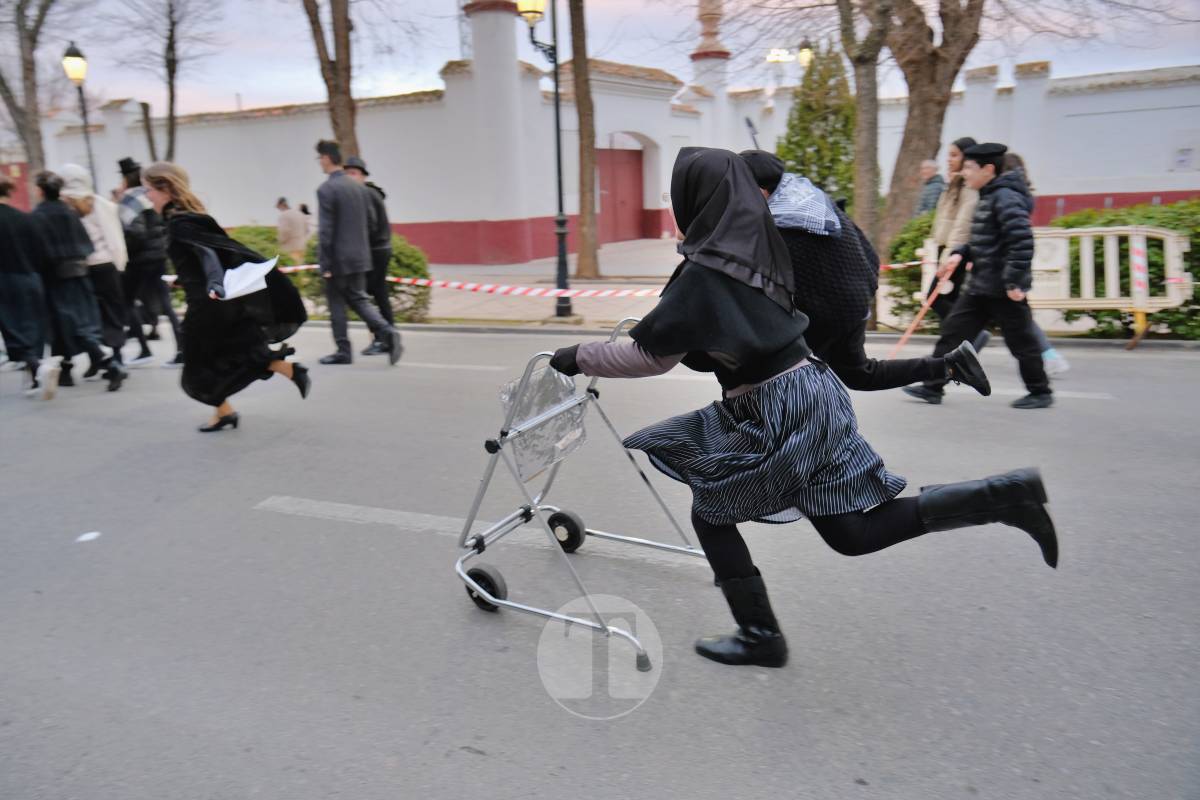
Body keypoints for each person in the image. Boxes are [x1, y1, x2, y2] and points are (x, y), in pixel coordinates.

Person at [548, 148, 1058, 668]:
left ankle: (760, 635)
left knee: (712, 510)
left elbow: (650, 357)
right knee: (852, 534)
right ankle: (1003, 495)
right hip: (813, 391)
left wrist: (573, 356)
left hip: (776, 407)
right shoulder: (763, 243)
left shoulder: (708, 268)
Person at [738, 150, 989, 396]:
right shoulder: (808, 199)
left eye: (740, 188)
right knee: (859, 374)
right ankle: (951, 365)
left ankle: (813, 428)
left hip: (831, 309)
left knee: (780, 375)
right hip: (855, 294)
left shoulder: (782, 222)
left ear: (762, 190)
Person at [143, 162, 311, 431]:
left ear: (164, 189)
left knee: (199, 365)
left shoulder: (180, 222)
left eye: (149, 189)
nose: (147, 195)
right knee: (234, 350)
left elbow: (207, 255)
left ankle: (272, 378)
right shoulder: (186, 217)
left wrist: (212, 283)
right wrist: (184, 279)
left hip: (208, 301)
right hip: (213, 297)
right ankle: (228, 409)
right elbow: (203, 256)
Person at [902, 143, 1053, 409]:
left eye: (970, 168)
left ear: (988, 169)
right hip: (980, 286)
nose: (965, 174)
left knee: (1022, 341)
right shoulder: (989, 194)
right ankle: (932, 387)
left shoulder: (1005, 197)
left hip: (1003, 288)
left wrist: (1015, 281)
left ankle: (1040, 391)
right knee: (952, 333)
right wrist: (961, 253)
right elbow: (985, 240)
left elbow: (1021, 242)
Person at [32, 171, 126, 392]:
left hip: (55, 277)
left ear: (40, 190)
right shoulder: (70, 212)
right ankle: (67, 370)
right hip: (80, 274)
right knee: (77, 322)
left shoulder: (38, 216)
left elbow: (38, 250)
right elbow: (86, 245)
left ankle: (108, 364)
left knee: (71, 325)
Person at [313, 140, 402, 365]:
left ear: (326, 158)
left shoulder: (326, 189)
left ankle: (343, 350)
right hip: (361, 256)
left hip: (338, 259)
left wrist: (325, 263)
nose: (320, 163)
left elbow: (326, 231)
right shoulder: (360, 188)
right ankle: (387, 331)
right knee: (360, 299)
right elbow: (371, 223)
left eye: (319, 158)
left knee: (336, 304)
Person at [59, 163, 153, 371]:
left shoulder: (66, 206)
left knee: (95, 314)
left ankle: (103, 359)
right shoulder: (100, 205)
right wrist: (119, 265)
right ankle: (112, 357)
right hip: (105, 265)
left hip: (84, 267)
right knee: (110, 312)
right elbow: (115, 239)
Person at [1001, 152, 1070, 377]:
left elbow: (1018, 238)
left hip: (1007, 268)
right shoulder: (1021, 194)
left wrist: (1013, 278)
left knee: (1020, 320)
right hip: (1009, 268)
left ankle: (1048, 361)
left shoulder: (1009, 197)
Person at [118, 157, 184, 367]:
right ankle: (182, 349)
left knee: (127, 301)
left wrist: (127, 251)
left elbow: (135, 233)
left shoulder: (129, 199)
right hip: (159, 256)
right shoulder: (152, 196)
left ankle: (144, 350)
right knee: (166, 303)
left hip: (139, 260)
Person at [0, 172, 58, 398]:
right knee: (32, 328)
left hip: (5, 280)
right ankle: (34, 379)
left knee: (13, 329)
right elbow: (43, 253)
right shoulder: (27, 218)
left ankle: (38, 367)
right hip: (31, 278)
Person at [344, 155, 396, 356]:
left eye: (354, 173)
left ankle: (381, 337)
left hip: (373, 251)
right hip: (381, 249)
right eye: (347, 172)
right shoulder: (372, 192)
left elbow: (369, 225)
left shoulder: (364, 194)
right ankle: (388, 336)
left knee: (361, 297)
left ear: (363, 176)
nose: (350, 176)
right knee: (379, 295)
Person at [927, 137, 980, 325]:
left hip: (956, 252)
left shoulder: (969, 188)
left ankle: (969, 334)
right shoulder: (954, 184)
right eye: (948, 155)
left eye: (954, 155)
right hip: (946, 250)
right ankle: (957, 345)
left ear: (966, 158)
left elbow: (961, 227)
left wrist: (947, 258)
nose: (949, 160)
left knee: (934, 298)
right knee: (951, 300)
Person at [276, 196, 308, 263]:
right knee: (300, 267)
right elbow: (306, 229)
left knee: (292, 266)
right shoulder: (299, 213)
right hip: (302, 246)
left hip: (290, 248)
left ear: (281, 205)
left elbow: (284, 231)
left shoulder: (284, 215)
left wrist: (280, 242)